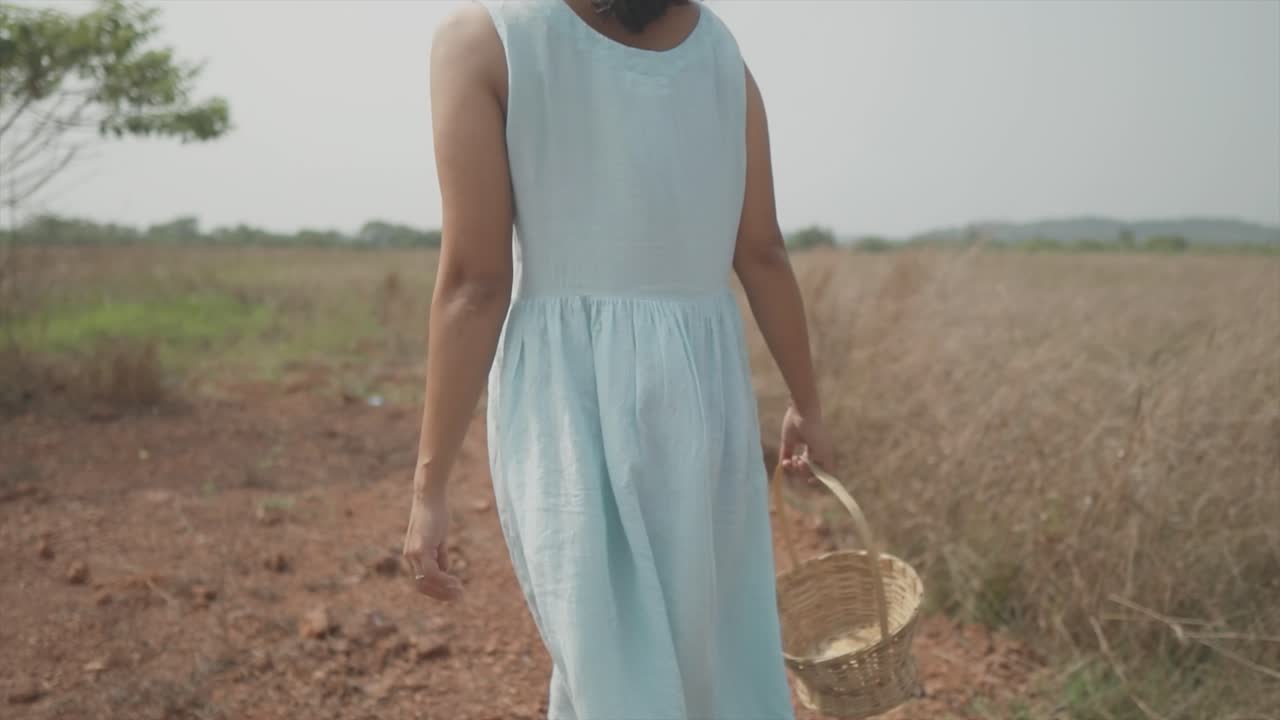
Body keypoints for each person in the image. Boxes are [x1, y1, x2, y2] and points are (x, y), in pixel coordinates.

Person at [402, 0, 832, 716]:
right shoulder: (719, 53)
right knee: (713, 654)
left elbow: (476, 283)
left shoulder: (482, 39)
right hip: (704, 385)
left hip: (568, 394)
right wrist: (805, 403)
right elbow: (761, 251)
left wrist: (429, 488)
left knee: (605, 657)